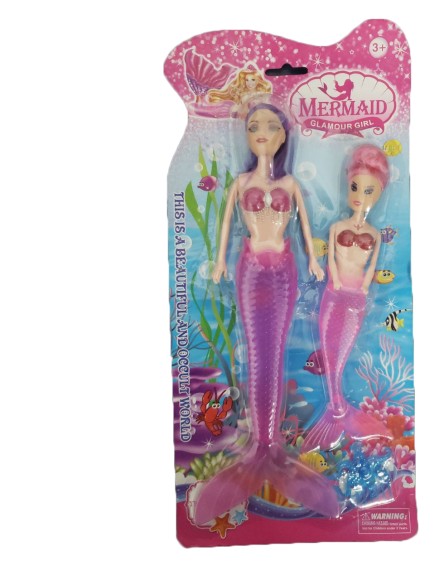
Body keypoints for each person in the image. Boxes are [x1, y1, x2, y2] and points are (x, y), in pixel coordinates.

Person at [194, 104, 339, 525]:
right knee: (257, 354)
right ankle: (261, 447)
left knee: (273, 353)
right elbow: (225, 225)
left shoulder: (290, 184)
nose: (261, 132)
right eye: (253, 126)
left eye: (270, 126)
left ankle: (270, 449)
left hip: (283, 269)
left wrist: (315, 261)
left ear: (282, 137)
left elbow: (306, 228)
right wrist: (219, 264)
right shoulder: (240, 183)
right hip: (251, 268)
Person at [302, 144, 393, 452]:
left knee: (342, 354)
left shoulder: (375, 234)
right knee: (329, 354)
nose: (359, 196)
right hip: (334, 293)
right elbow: (330, 258)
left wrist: (365, 286)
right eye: (355, 187)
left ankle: (338, 409)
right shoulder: (336, 226)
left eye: (369, 190)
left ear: (379, 194)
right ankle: (336, 407)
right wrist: (336, 279)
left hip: (356, 298)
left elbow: (373, 265)